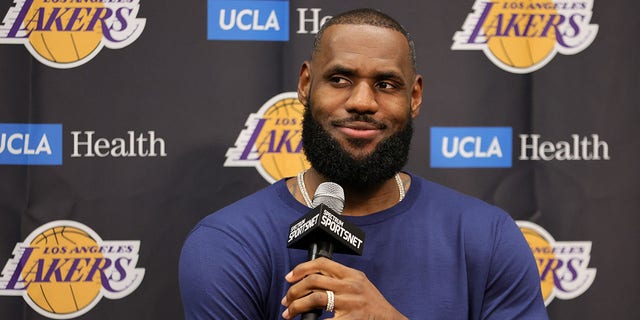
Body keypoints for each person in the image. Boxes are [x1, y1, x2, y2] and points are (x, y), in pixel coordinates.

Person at [179, 8, 548, 320]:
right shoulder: (228, 243)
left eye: (385, 84)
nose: (361, 102)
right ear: (306, 85)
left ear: (414, 96)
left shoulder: (488, 236)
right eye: (340, 79)